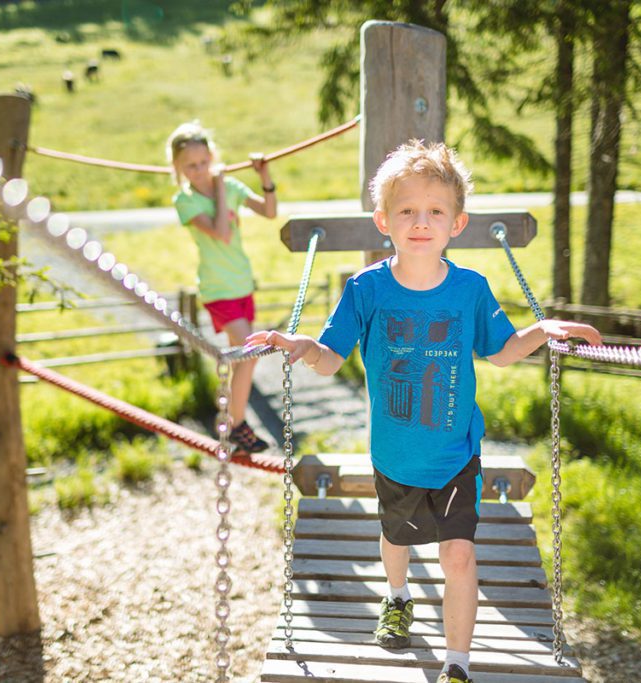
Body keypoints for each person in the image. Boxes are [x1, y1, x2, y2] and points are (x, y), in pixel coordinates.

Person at [245, 139, 602, 683]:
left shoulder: (470, 289)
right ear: (383, 219)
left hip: (457, 454)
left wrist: (541, 332)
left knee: (458, 556)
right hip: (395, 455)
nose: (421, 221)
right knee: (398, 538)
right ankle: (397, 596)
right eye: (407, 210)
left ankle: (455, 665)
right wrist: (299, 345)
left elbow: (501, 352)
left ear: (457, 223)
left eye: (436, 210)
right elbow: (328, 358)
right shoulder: (365, 289)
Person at [167, 120, 279, 455]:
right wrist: (218, 185)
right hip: (218, 290)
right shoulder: (185, 201)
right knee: (249, 355)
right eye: (191, 166)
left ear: (212, 157)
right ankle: (236, 424)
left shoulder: (229, 186)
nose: (199, 170)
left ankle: (234, 427)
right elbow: (222, 232)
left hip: (242, 283)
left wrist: (264, 175)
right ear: (178, 167)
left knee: (242, 358)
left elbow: (270, 212)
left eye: (204, 162)